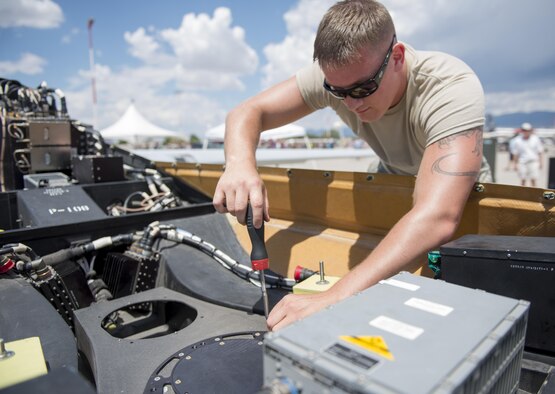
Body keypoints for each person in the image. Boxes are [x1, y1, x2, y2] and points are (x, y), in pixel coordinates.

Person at [213, 0, 492, 331]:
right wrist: (240, 164)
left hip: (466, 210)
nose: (352, 104)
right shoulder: (344, 75)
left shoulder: (449, 85)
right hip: (394, 197)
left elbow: (438, 216)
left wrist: (334, 297)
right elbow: (246, 112)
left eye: (363, 89)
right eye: (337, 91)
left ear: (397, 57)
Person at [511, 122, 544, 187]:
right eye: (524, 130)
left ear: (530, 130)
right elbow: (515, 153)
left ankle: (535, 195)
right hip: (522, 162)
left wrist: (541, 162)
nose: (526, 132)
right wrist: (515, 164)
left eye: (527, 130)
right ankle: (522, 196)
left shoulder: (535, 139)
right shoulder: (517, 140)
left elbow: (540, 151)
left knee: (533, 179)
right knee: (523, 180)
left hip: (533, 161)